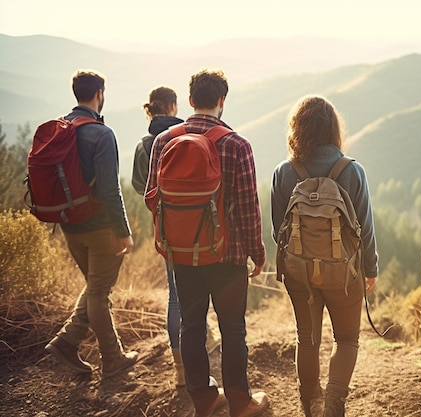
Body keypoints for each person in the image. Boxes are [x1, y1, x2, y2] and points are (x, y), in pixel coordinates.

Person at [145, 69, 269, 417]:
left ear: (189, 101)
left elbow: (151, 198)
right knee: (232, 329)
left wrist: (173, 238)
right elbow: (247, 208)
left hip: (181, 255)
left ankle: (203, 399)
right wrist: (256, 254)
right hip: (226, 256)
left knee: (191, 325)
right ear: (222, 101)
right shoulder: (237, 145)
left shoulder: (163, 141)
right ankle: (241, 402)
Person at [270, 95, 379, 417]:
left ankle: (310, 404)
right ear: (333, 129)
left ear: (297, 129)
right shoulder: (352, 171)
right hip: (345, 274)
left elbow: (279, 231)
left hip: (299, 271)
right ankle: (334, 406)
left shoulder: (283, 172)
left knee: (308, 338)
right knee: (346, 339)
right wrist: (370, 268)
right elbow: (366, 229)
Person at [44, 70, 138, 378]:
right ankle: (111, 358)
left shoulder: (62, 127)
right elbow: (110, 190)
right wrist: (123, 232)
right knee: (99, 292)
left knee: (95, 287)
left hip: (70, 227)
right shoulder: (101, 134)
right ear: (99, 94)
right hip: (100, 228)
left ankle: (67, 342)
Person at [131, 86, 220, 388]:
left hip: (170, 232)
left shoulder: (151, 143)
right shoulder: (198, 134)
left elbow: (141, 188)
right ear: (174, 105)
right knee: (203, 292)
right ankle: (206, 342)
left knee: (176, 296)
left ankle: (181, 369)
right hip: (207, 230)